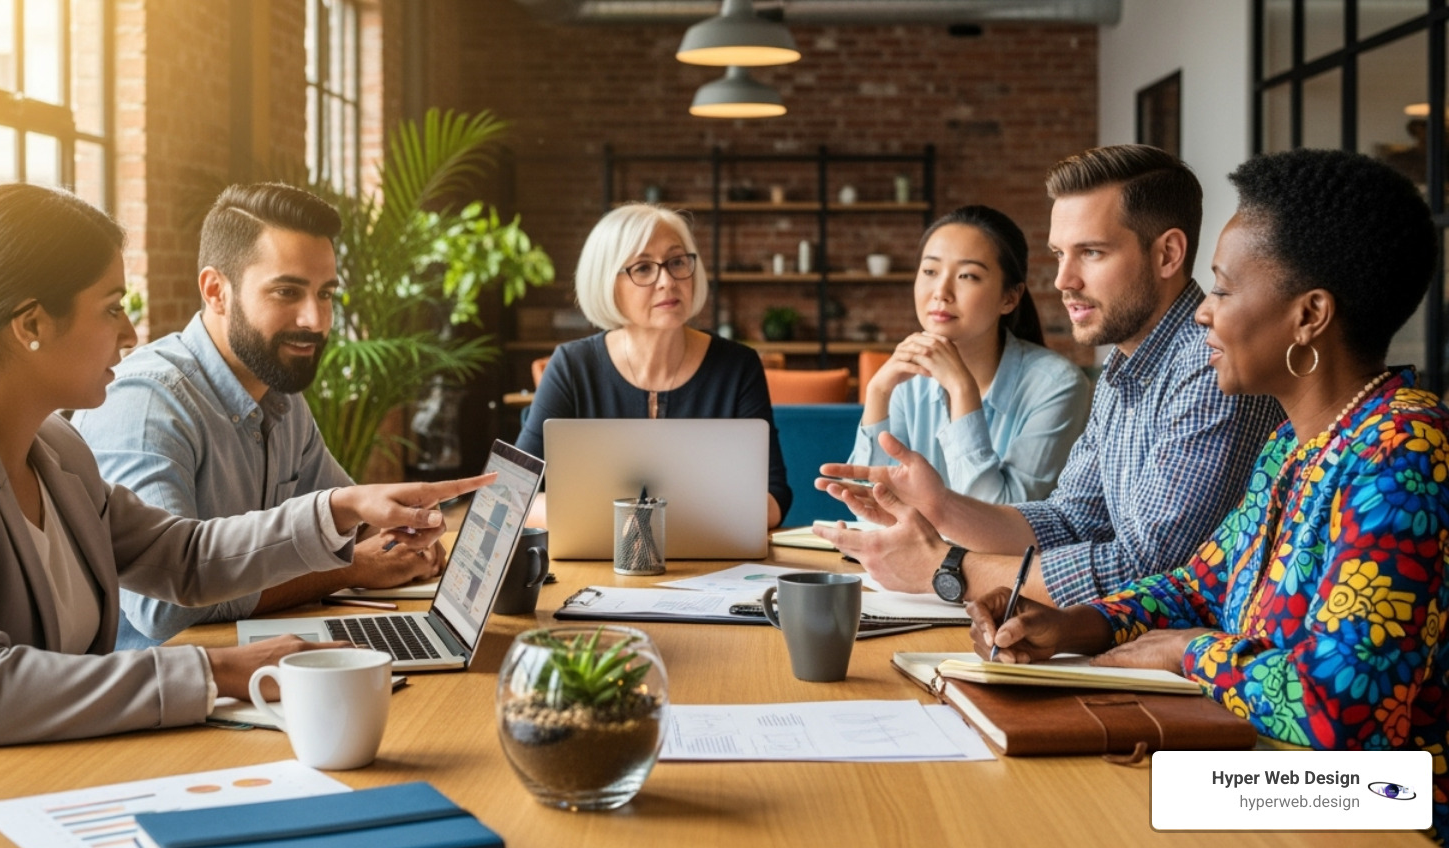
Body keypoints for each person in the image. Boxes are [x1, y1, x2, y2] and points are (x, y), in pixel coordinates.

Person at [0, 184, 491, 786]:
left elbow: (181, 556)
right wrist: (216, 671)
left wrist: (341, 508)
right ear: (31, 323)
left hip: (54, 774)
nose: (131, 332)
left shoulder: (56, 451)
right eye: (112, 307)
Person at [965, 149, 1449, 836]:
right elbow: (1202, 583)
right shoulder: (1295, 444)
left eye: (1222, 290)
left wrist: (1185, 651)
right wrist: (1084, 624)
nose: (1202, 314)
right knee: (1045, 790)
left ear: (1309, 316)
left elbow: (1344, 712)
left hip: (1382, 805)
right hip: (1277, 773)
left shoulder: (1404, 452)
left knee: (1096, 808)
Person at [816, 145, 1283, 605]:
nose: (1063, 280)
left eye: (1092, 253)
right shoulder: (1124, 367)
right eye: (1060, 254)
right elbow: (1069, 521)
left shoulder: (1210, 364)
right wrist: (941, 506)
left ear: (1168, 255)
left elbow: (1147, 570)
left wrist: (945, 569)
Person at [74, 183, 440, 650]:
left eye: (325, 294)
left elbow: (353, 516)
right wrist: (352, 568)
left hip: (255, 667)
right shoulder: (147, 404)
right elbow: (165, 608)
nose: (315, 319)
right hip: (174, 702)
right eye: (287, 291)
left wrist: (412, 538)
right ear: (216, 291)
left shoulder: (279, 392)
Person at [516, 203, 790, 526]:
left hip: (713, 568)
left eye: (676, 262)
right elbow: (513, 496)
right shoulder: (572, 367)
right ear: (608, 283)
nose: (667, 281)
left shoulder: (738, 366)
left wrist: (633, 518)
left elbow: (772, 499)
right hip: (596, 565)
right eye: (643, 268)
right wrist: (633, 521)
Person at [851, 204, 1091, 502]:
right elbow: (868, 506)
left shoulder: (1057, 386)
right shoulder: (907, 381)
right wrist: (877, 390)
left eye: (967, 276)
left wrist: (962, 390)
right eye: (929, 271)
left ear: (1009, 298)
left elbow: (1004, 519)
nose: (941, 291)